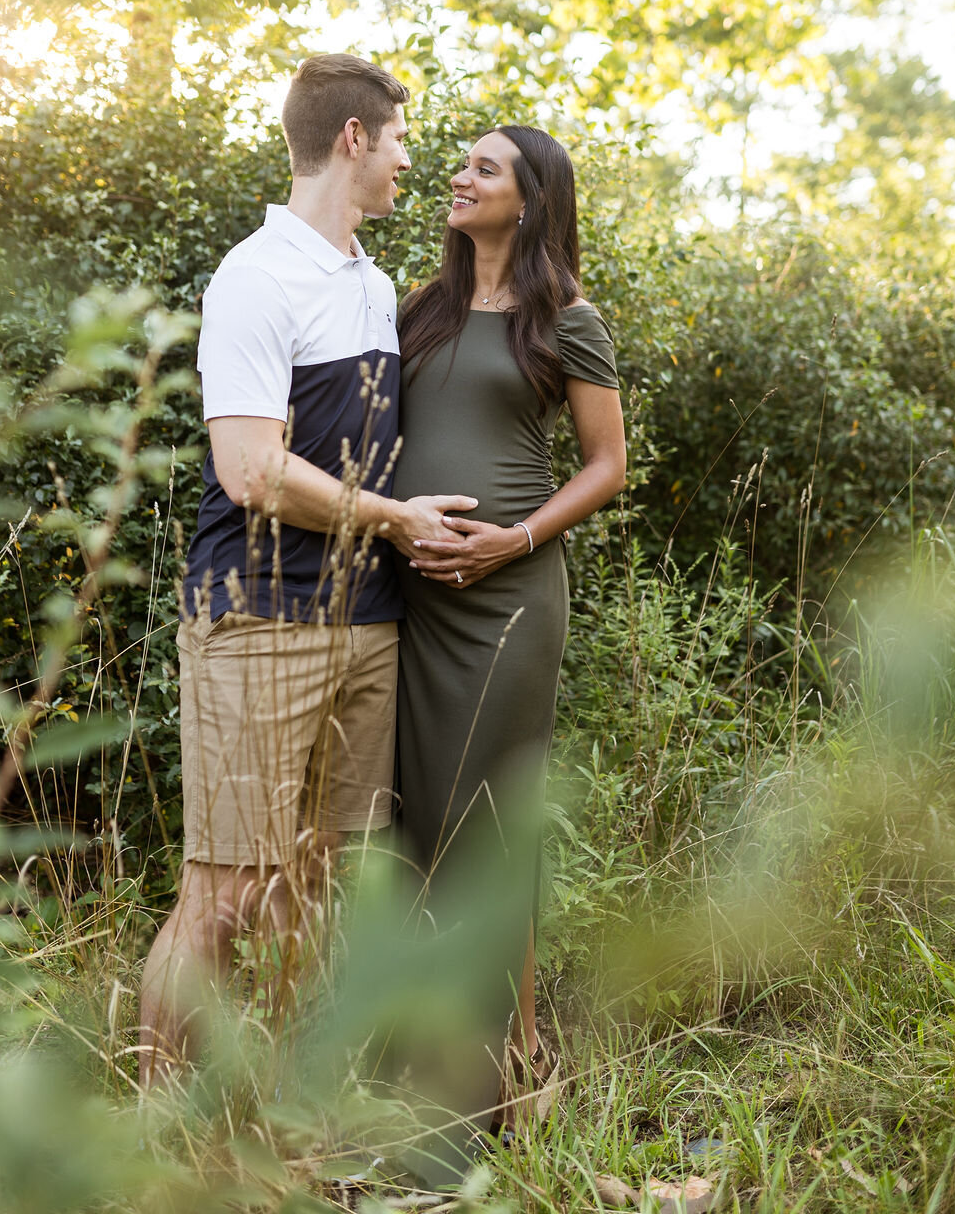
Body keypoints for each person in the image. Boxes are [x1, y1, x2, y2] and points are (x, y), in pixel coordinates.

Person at [139, 54, 476, 1086]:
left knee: (316, 884)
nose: (410, 163)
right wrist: (394, 521)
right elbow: (250, 470)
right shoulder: (255, 276)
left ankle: (254, 1121)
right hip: (258, 618)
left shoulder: (374, 285)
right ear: (352, 140)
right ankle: (157, 1134)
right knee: (226, 892)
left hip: (366, 623)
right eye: (401, 141)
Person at [393, 124, 627, 1171]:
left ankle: (511, 1077)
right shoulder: (418, 310)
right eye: (460, 163)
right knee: (416, 824)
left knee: (492, 831)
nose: (458, 176)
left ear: (529, 201)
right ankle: (432, 1060)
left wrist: (513, 539)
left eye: (483, 168)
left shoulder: (566, 318)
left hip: (510, 599)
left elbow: (607, 464)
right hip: (416, 598)